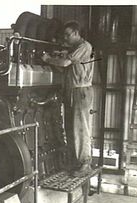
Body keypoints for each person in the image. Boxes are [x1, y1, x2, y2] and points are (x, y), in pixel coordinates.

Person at [42, 21, 94, 177]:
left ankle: (85, 164)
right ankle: (75, 162)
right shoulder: (74, 49)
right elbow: (65, 67)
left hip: (81, 91)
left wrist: (47, 59)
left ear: (77, 33)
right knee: (71, 128)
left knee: (81, 128)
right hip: (71, 91)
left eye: (68, 34)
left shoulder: (84, 46)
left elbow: (65, 63)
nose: (65, 38)